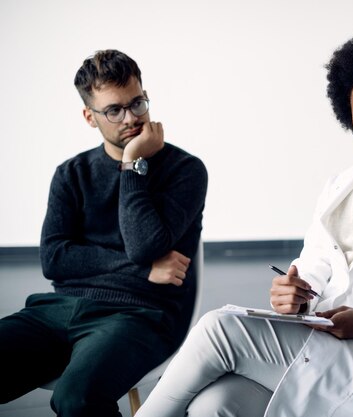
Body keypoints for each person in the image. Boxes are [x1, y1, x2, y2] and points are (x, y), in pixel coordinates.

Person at [136, 31, 353, 417]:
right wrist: (294, 294)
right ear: (350, 122)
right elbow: (316, 265)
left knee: (218, 328)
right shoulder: (341, 187)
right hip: (314, 339)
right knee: (213, 406)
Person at [0, 50, 208, 417]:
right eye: (114, 110)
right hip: (58, 310)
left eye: (138, 103)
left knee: (75, 399)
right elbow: (55, 259)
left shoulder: (185, 170)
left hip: (141, 314)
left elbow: (144, 243)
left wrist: (133, 165)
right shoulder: (71, 174)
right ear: (89, 117)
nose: (131, 118)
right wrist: (143, 270)